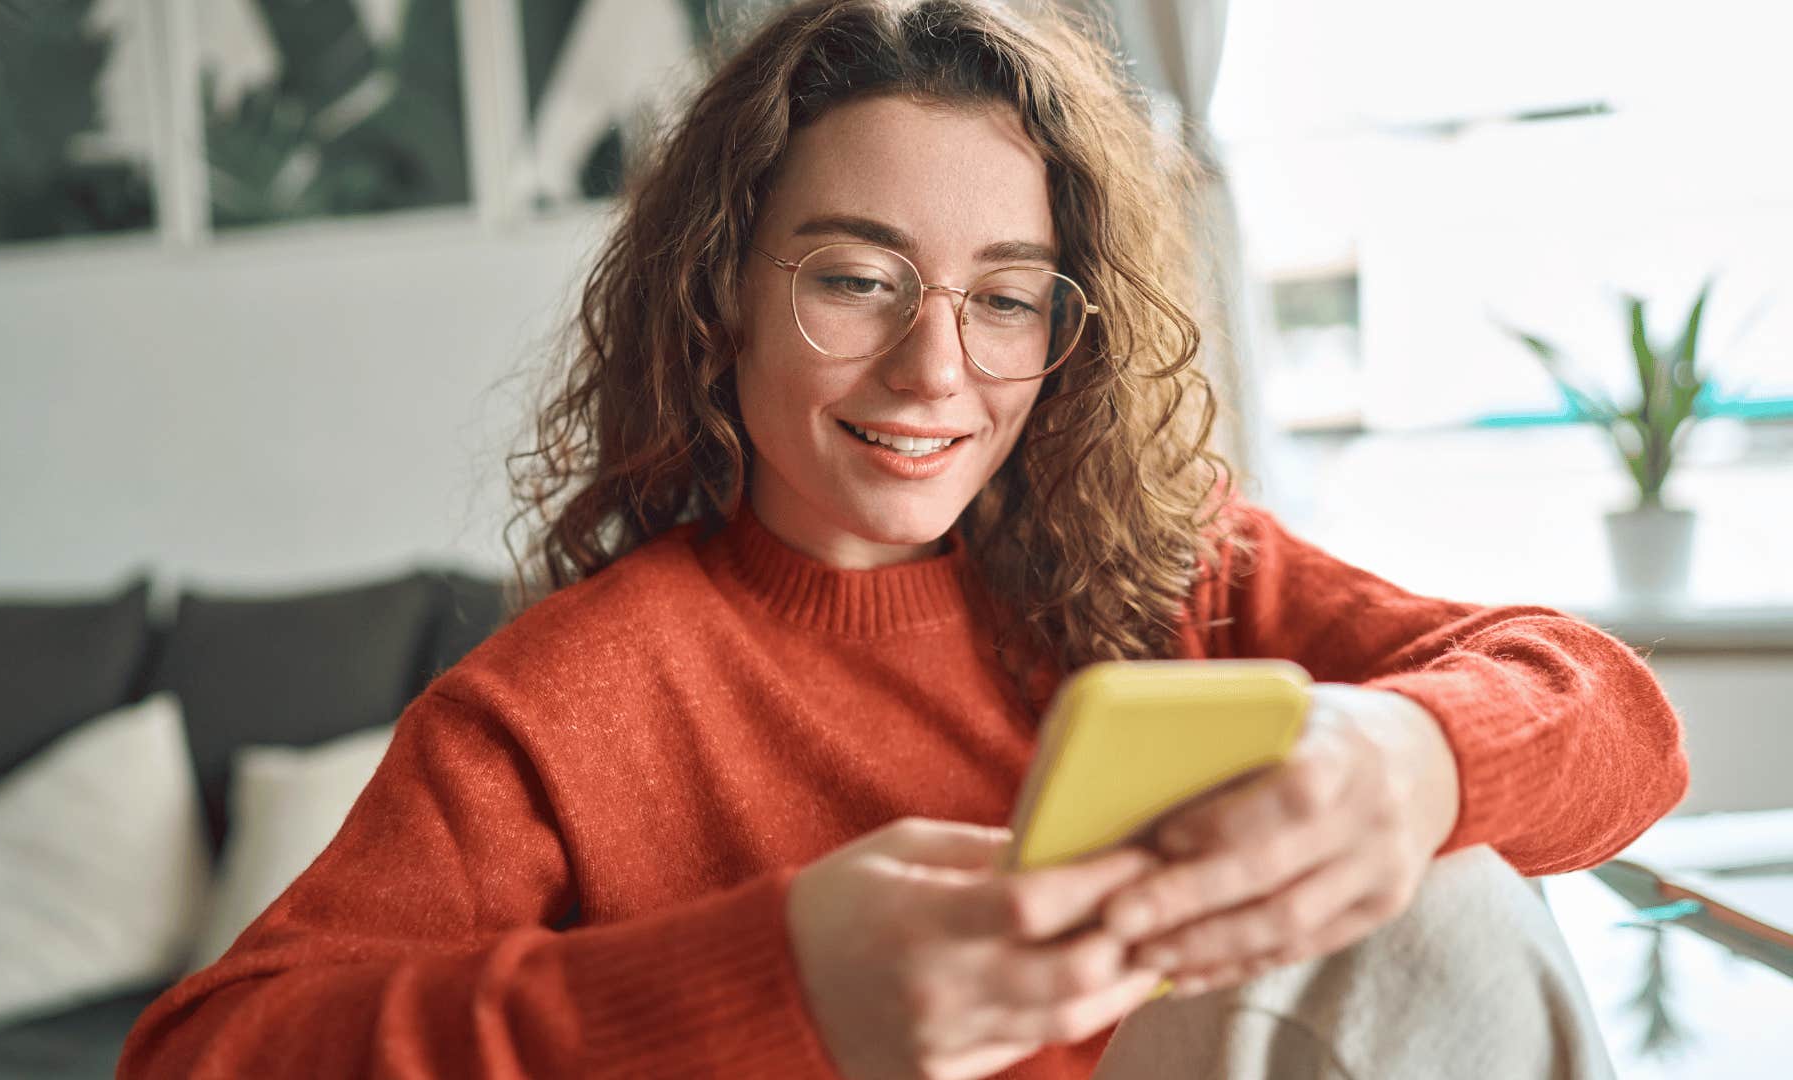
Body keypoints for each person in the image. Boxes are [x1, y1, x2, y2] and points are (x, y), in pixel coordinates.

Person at [119, 1, 1687, 1077]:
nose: (935, 373)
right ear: (724, 290)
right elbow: (208, 1056)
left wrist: (1413, 761)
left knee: (1453, 885)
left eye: (1005, 299)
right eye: (856, 280)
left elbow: (1614, 718)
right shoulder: (557, 711)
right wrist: (774, 982)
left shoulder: (1178, 573)